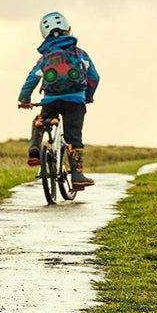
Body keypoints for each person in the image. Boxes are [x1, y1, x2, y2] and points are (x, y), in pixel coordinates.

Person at [18, 12, 100, 190]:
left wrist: (24, 99)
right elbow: (94, 77)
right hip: (75, 101)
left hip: (51, 100)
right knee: (73, 137)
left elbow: (32, 79)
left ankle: (34, 148)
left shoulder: (45, 58)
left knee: (41, 121)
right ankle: (77, 176)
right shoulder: (80, 53)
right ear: (67, 29)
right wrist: (87, 96)